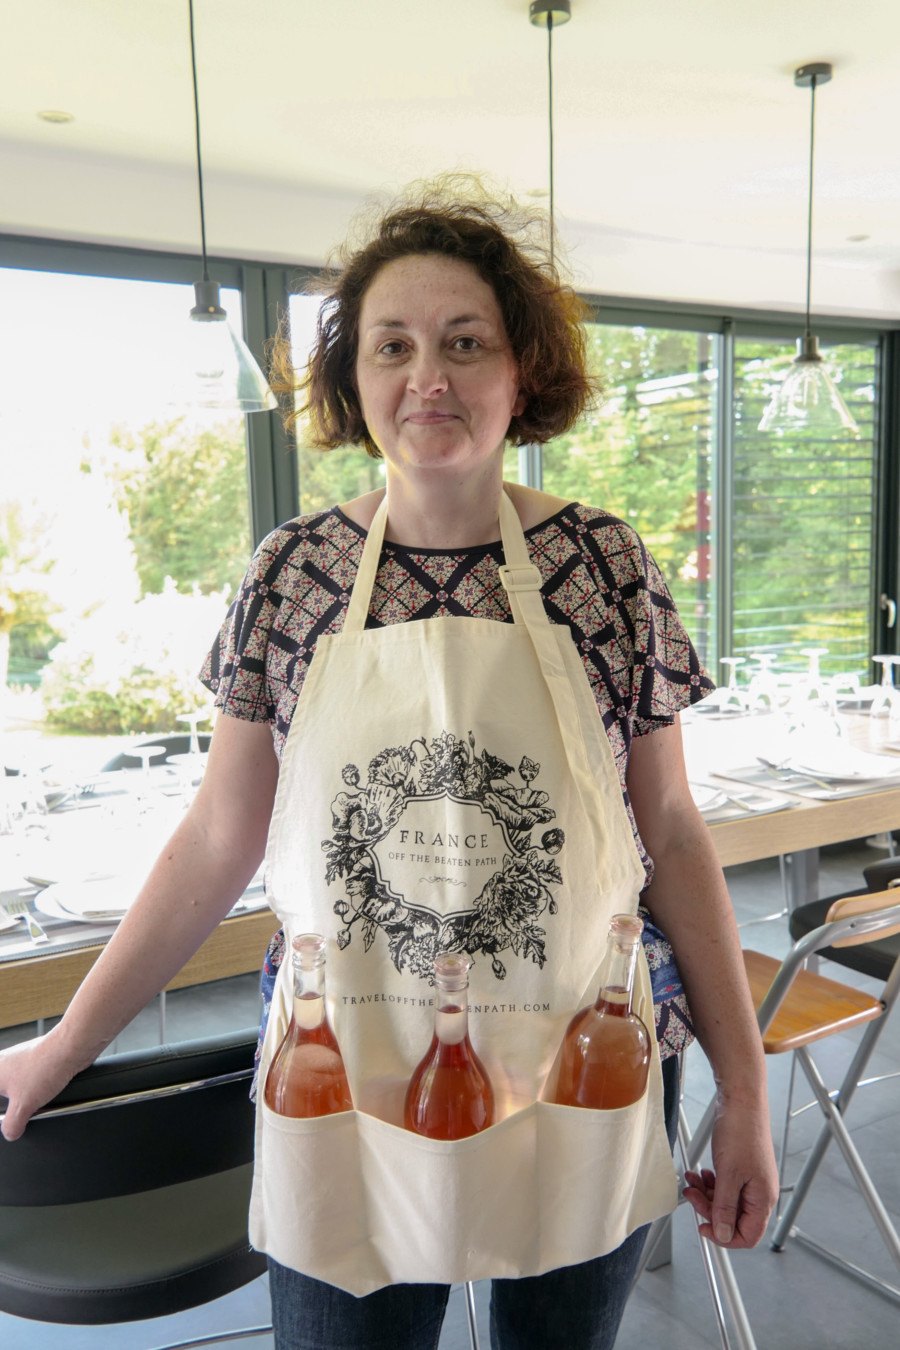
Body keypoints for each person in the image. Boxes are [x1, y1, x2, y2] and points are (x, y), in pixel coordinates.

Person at [0, 177, 778, 1350]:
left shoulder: (604, 564)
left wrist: (748, 1091)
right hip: (339, 1068)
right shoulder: (292, 574)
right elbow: (220, 839)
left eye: (467, 342)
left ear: (522, 372)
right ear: (352, 381)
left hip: (584, 1052)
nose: (431, 376)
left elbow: (668, 835)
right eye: (394, 345)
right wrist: (64, 1047)